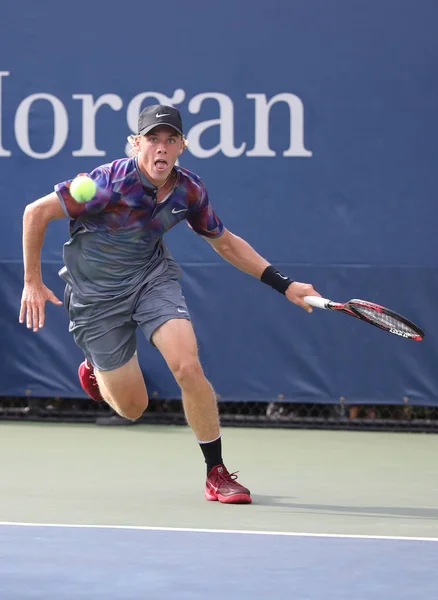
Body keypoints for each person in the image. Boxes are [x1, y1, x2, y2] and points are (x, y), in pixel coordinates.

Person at [19, 104, 321, 504]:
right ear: (137, 144)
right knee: (132, 408)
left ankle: (216, 472)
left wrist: (284, 285)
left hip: (151, 281)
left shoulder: (188, 190)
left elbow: (225, 242)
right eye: (153, 140)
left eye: (170, 140)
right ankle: (93, 366)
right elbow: (35, 212)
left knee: (187, 365)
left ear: (181, 146)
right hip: (96, 299)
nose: (161, 148)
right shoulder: (105, 184)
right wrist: (32, 282)